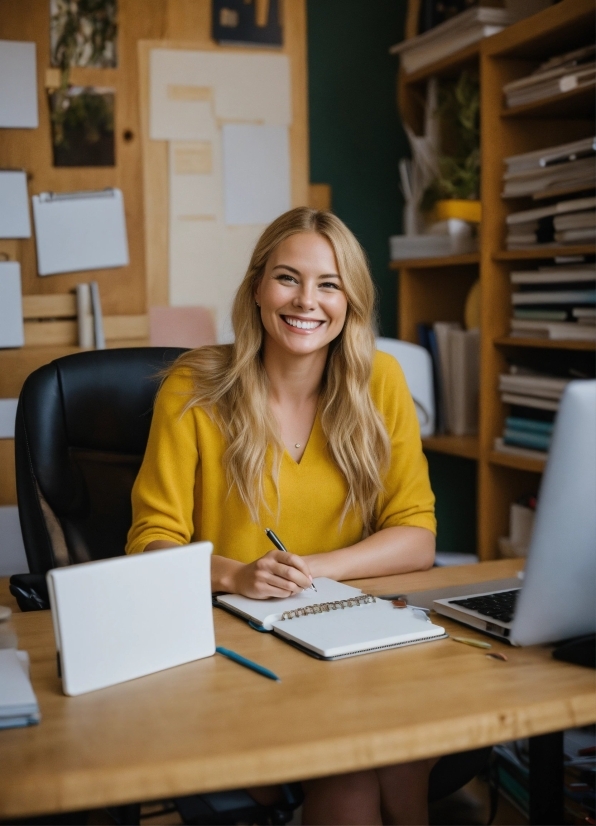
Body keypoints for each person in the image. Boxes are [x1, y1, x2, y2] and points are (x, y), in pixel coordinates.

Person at [126, 207, 437, 825]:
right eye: (287, 278)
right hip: (238, 645)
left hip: (352, 636)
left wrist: (310, 570)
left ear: (351, 299)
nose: (307, 301)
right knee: (352, 772)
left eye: (329, 283)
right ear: (257, 289)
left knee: (407, 751)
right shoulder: (192, 388)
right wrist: (237, 576)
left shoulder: (381, 382)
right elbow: (148, 545)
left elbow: (416, 536)